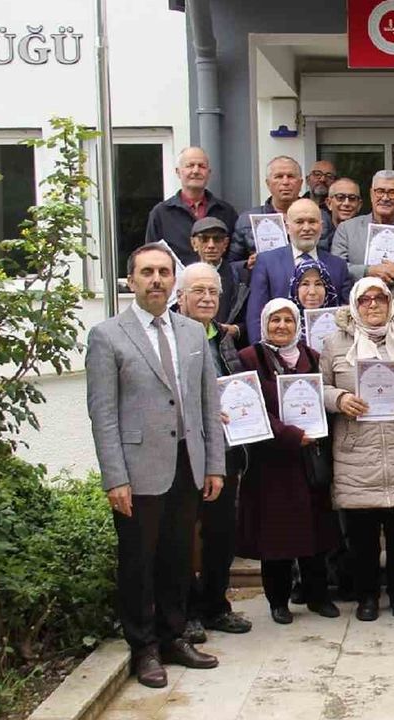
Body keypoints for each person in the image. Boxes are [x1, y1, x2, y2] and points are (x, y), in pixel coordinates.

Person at [85, 244, 225, 688]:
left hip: (187, 461)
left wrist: (214, 464)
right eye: (147, 272)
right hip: (138, 468)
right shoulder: (108, 336)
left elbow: (208, 404)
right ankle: (143, 647)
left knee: (177, 557)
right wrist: (115, 478)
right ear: (131, 280)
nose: (157, 280)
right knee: (138, 561)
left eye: (164, 272)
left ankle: (172, 636)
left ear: (173, 280)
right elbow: (103, 414)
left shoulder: (192, 333)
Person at [319, 279, 394, 621]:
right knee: (362, 536)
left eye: (379, 298)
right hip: (356, 451)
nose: (372, 305)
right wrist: (339, 399)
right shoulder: (335, 343)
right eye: (365, 299)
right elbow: (319, 387)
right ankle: (367, 596)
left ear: (389, 302)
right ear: (355, 304)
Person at [236, 299, 343, 625]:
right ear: (264, 323)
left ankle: (317, 595)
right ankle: (278, 600)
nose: (281, 326)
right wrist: (290, 434)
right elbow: (250, 405)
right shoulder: (249, 358)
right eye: (275, 320)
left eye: (288, 320)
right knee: (276, 535)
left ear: (298, 325)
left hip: (310, 460)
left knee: (316, 531)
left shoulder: (312, 356)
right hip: (271, 462)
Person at [175, 263, 253, 643]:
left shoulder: (223, 337)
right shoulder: (170, 335)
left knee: (222, 532)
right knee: (185, 534)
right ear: (180, 297)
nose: (207, 298)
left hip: (226, 449)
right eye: (198, 291)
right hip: (186, 449)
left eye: (213, 292)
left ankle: (215, 605)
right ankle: (187, 611)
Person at [246, 199, 352, 345]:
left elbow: (347, 314)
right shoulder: (267, 262)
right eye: (299, 222)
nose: (306, 228)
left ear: (321, 227)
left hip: (328, 349)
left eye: (312, 222)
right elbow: (256, 315)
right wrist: (262, 353)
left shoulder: (338, 265)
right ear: (287, 227)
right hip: (278, 351)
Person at [144, 147, 239, 266]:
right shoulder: (161, 213)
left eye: (202, 166)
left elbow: (235, 256)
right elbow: (152, 257)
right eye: (190, 165)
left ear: (209, 173)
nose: (196, 171)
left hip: (217, 277)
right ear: (178, 172)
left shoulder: (226, 211)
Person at [233, 156, 335, 260]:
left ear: (300, 183)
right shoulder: (247, 220)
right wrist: (247, 265)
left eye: (290, 176)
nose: (285, 182)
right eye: (279, 177)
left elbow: (334, 261)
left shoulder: (321, 217)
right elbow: (232, 264)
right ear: (268, 183)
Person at [189, 217, 250, 346]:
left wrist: (236, 329)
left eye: (217, 239)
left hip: (230, 346)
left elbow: (253, 317)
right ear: (194, 243)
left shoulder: (241, 276)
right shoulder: (184, 277)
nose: (211, 245)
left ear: (225, 244)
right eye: (204, 239)